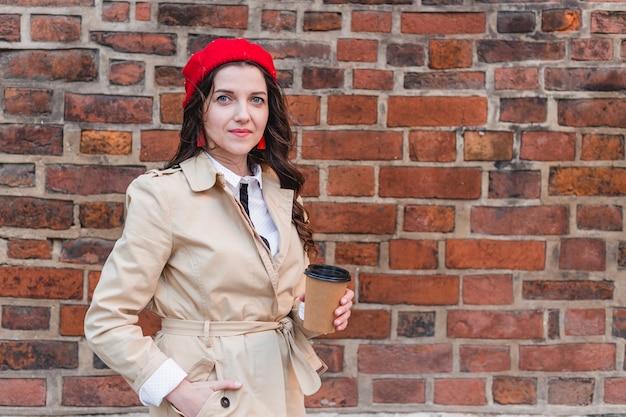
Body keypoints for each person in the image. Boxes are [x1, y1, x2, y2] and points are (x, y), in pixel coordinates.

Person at [84, 38, 354, 417]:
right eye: (225, 98)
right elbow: (107, 320)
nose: (243, 114)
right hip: (211, 394)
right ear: (200, 110)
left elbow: (277, 308)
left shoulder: (283, 194)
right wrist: (178, 391)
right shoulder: (163, 195)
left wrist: (313, 313)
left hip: (281, 392)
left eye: (256, 99)